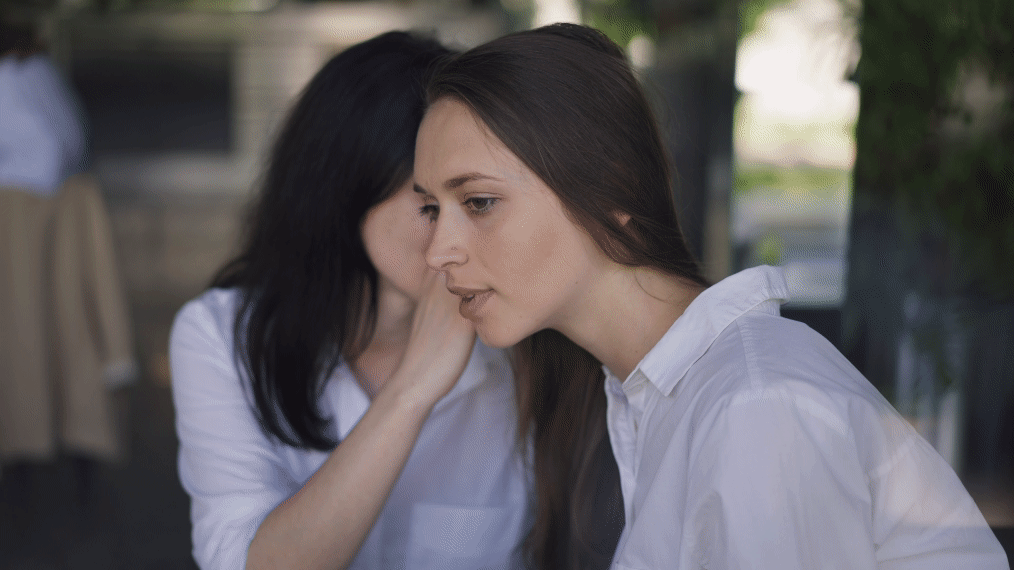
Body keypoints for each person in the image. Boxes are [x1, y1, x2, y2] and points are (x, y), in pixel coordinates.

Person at [413, 23, 1009, 570]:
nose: (438, 251)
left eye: (479, 202)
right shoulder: (648, 397)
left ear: (611, 187)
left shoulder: (755, 405)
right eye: (431, 209)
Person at [169, 31, 530, 570]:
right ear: (346, 189)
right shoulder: (220, 338)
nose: (461, 239)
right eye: (430, 205)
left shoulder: (522, 344)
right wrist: (412, 390)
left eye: (479, 202)